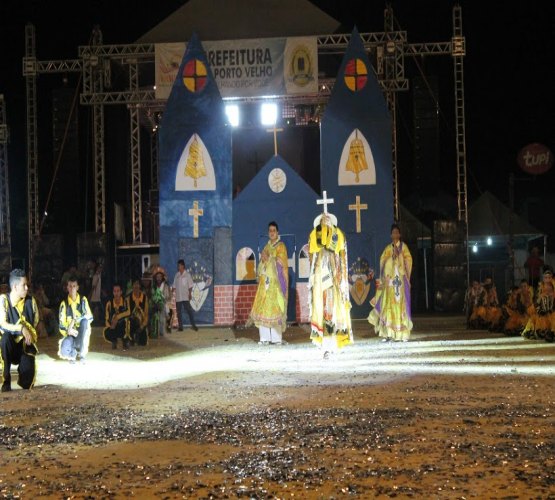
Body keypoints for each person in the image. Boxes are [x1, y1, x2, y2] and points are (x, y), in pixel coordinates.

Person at [308, 212, 352, 358]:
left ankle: (333, 344)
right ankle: (325, 346)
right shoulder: (316, 235)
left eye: (327, 219)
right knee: (323, 310)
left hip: (334, 277)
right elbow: (311, 256)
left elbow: (343, 255)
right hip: (321, 278)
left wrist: (343, 278)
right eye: (322, 220)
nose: (325, 221)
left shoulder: (337, 234)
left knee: (333, 310)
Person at [368, 223, 413, 342]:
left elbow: (408, 260)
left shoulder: (404, 247)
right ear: (390, 235)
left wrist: (400, 257)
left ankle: (402, 334)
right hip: (390, 282)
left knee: (401, 306)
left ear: (400, 234)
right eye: (393, 233)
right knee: (388, 306)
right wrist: (390, 258)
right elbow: (382, 261)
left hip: (400, 281)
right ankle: (388, 333)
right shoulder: (388, 248)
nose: (395, 234)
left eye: (397, 232)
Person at [247, 221, 289, 345]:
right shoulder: (266, 246)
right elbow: (262, 264)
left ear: (277, 232)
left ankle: (276, 339)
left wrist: (270, 258)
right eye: (270, 231)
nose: (271, 233)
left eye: (274, 230)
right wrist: (263, 261)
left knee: (276, 309)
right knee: (263, 309)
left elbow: (282, 264)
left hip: (276, 285)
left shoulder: (281, 246)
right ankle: (265, 338)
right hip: (265, 285)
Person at [0, 269, 40, 392]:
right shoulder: (3, 300)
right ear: (15, 287)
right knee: (5, 338)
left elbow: (35, 323)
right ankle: (6, 379)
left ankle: (23, 373)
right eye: (24, 285)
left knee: (27, 384)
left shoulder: (31, 301)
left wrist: (29, 334)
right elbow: (2, 325)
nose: (27, 288)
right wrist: (21, 328)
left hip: (24, 346)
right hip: (9, 346)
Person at [58, 276, 93, 363]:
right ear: (67, 287)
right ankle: (72, 353)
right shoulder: (64, 304)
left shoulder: (83, 300)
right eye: (70, 286)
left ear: (77, 287)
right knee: (63, 351)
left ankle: (81, 354)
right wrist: (68, 330)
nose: (72, 288)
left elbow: (90, 317)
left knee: (85, 322)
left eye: (74, 286)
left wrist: (76, 319)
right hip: (70, 334)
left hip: (81, 331)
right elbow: (61, 325)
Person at [172, 259, 198, 332]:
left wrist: (190, 294)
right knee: (179, 312)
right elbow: (174, 286)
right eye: (178, 265)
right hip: (178, 297)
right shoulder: (176, 275)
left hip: (185, 296)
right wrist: (171, 292)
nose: (178, 267)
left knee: (189, 311)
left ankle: (193, 325)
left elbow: (190, 285)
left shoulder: (187, 275)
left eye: (179, 265)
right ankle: (180, 327)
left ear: (183, 266)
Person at [103, 283, 131, 350]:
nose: (116, 293)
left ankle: (125, 341)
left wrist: (117, 317)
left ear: (121, 292)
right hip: (113, 326)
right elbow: (107, 319)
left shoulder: (125, 301)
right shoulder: (109, 304)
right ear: (113, 292)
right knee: (106, 332)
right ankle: (114, 341)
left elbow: (128, 312)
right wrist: (111, 326)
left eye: (118, 291)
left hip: (123, 325)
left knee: (126, 323)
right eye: (115, 291)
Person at [128, 279, 149, 346]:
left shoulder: (145, 298)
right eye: (134, 284)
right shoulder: (128, 298)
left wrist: (142, 326)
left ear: (140, 286)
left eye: (137, 284)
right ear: (132, 286)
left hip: (141, 324)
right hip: (131, 323)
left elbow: (146, 315)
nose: (136, 286)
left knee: (143, 343)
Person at [150, 270, 171, 338]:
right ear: (155, 278)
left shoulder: (165, 286)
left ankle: (162, 333)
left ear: (162, 278)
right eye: (157, 277)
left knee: (162, 320)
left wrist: (162, 299)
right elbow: (152, 295)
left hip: (163, 304)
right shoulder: (153, 286)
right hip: (154, 305)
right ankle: (155, 332)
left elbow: (168, 296)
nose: (158, 278)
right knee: (155, 319)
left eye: (160, 277)